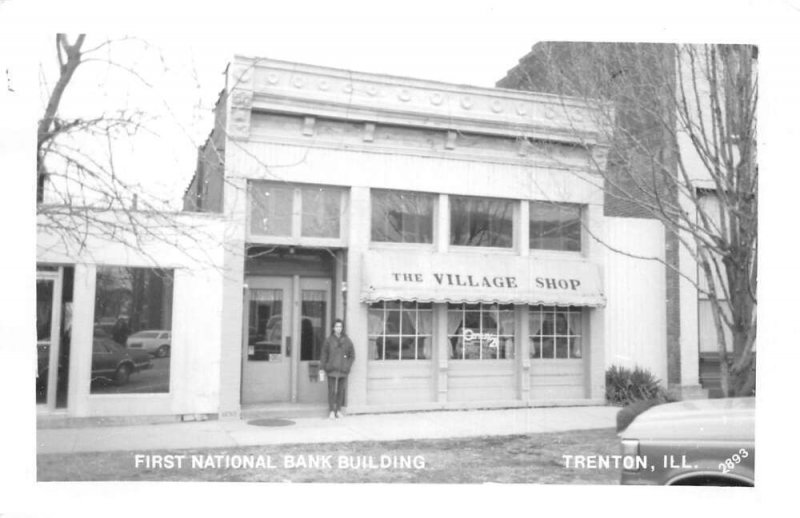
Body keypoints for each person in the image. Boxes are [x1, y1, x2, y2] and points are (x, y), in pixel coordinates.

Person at [320, 318, 355, 419]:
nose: (338, 328)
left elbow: (352, 355)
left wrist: (347, 366)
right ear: (333, 328)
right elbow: (324, 355)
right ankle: (331, 410)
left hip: (343, 370)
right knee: (331, 391)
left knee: (340, 391)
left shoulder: (347, 341)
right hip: (331, 369)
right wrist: (324, 366)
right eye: (336, 326)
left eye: (340, 326)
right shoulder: (328, 340)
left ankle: (338, 410)